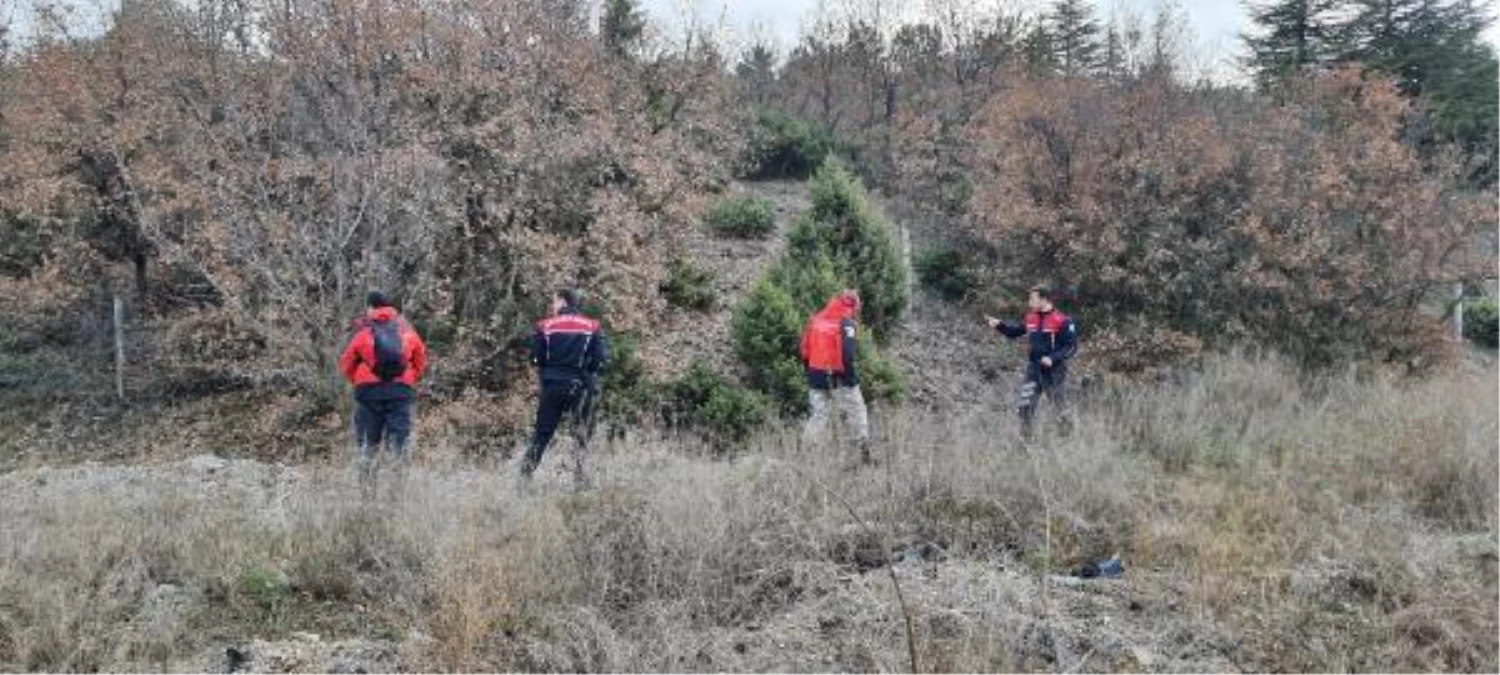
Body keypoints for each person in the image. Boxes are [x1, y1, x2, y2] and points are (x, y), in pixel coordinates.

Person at [340, 291, 428, 492]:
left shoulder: (363, 332)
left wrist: (359, 380)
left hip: (368, 393)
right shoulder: (406, 331)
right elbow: (421, 359)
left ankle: (367, 493)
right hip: (399, 392)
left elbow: (346, 363)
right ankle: (398, 493)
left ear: (371, 307)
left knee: (367, 445)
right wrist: (408, 379)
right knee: (399, 445)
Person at [522, 288, 609, 486]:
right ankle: (580, 482)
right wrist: (587, 373)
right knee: (581, 435)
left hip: (552, 386)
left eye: (554, 301)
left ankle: (524, 479)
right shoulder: (592, 326)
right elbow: (601, 360)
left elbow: (535, 358)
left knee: (542, 434)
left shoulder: (544, 326)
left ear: (562, 301)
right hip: (580, 387)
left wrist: (547, 372)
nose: (552, 306)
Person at [986, 284, 1078, 440]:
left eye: (1032, 299)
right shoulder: (1031, 318)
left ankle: (1068, 440)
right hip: (1033, 371)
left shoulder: (1063, 320)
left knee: (1058, 407)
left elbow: (1071, 347)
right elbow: (1013, 333)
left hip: (1054, 372)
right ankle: (1026, 443)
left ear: (1044, 299)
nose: (1029, 302)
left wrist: (1052, 358)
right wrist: (999, 325)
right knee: (1025, 406)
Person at [799, 289, 872, 465]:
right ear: (853, 306)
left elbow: (804, 350)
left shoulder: (816, 320)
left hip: (815, 375)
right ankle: (863, 455)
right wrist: (849, 377)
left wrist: (811, 373)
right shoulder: (847, 323)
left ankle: (805, 455)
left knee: (819, 415)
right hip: (841, 376)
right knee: (857, 410)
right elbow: (848, 354)